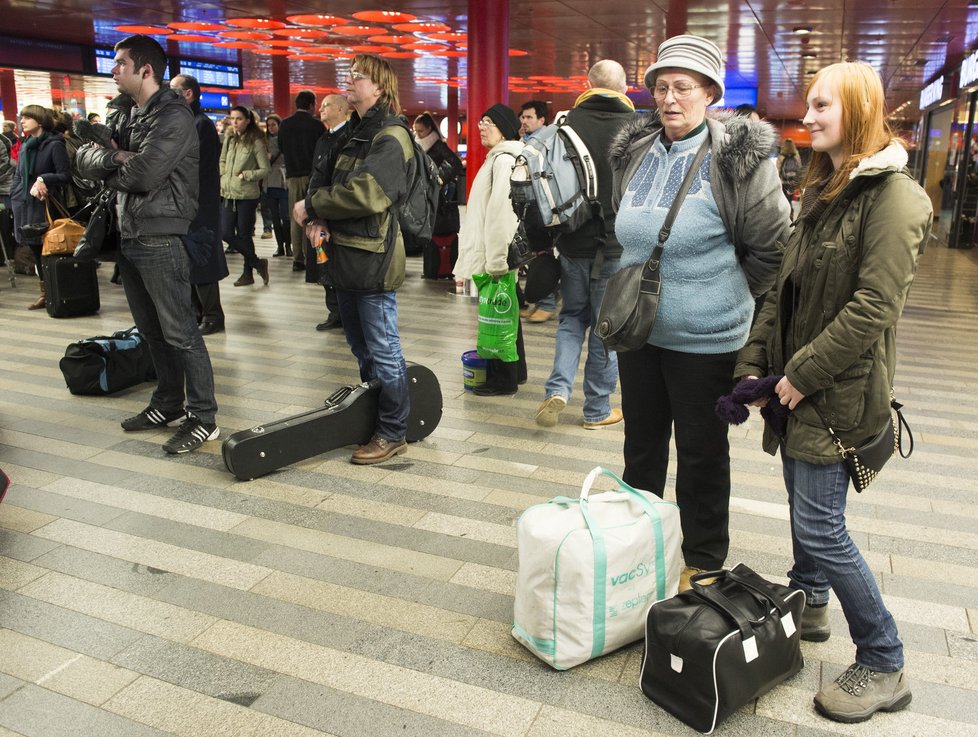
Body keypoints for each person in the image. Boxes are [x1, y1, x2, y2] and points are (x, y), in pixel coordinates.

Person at [734, 61, 931, 724]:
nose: (808, 116)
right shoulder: (824, 189)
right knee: (800, 501)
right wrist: (754, 364)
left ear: (858, 110)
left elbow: (875, 305)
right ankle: (810, 596)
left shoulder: (897, 199)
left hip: (836, 393)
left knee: (821, 522)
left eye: (822, 106)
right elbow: (782, 292)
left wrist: (799, 374)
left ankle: (883, 655)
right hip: (799, 387)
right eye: (808, 105)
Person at [609, 34, 790, 591]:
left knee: (701, 453)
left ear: (709, 92)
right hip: (639, 331)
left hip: (707, 339)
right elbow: (621, 227)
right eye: (661, 87)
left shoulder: (736, 162)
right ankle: (639, 546)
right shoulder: (634, 153)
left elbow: (773, 250)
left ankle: (705, 557)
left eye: (682, 87)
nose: (669, 98)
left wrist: (726, 295)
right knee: (640, 447)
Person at [76, 34, 219, 454]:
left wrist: (115, 162)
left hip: (161, 235)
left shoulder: (173, 117)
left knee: (181, 332)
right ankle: (168, 402)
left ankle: (204, 417)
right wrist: (114, 158)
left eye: (120, 63)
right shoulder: (125, 114)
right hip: (129, 233)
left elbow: (143, 176)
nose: (113, 69)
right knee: (152, 331)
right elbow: (82, 157)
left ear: (146, 69)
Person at [292, 54, 413, 465]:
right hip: (346, 254)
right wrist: (319, 216)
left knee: (384, 348)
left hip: (374, 256)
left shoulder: (391, 135)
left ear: (378, 87)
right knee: (361, 346)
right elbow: (334, 181)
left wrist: (311, 205)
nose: (350, 82)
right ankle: (377, 416)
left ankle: (394, 431)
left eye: (357, 77)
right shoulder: (358, 132)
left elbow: (367, 193)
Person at [535, 60, 636, 430]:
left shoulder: (564, 125)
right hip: (615, 246)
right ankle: (596, 409)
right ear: (625, 88)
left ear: (587, 84)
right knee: (604, 326)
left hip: (572, 242)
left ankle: (557, 388)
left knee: (571, 318)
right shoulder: (638, 129)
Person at [452, 104, 528, 396]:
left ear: (504, 129)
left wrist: (496, 261)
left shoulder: (503, 161)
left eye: (488, 123)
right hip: (498, 251)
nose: (481, 127)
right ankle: (516, 373)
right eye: (480, 122)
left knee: (499, 315)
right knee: (510, 312)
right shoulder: (499, 158)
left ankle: (503, 380)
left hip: (497, 253)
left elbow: (501, 214)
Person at [170, 73, 229, 335]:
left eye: (173, 90)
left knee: (201, 259)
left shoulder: (200, 124)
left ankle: (213, 315)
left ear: (188, 94)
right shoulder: (185, 122)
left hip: (199, 204)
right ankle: (197, 313)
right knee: (188, 260)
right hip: (185, 203)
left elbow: (193, 167)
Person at [10, 104, 69, 310]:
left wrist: (44, 178)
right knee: (35, 250)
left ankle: (56, 292)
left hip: (46, 205)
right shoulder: (26, 144)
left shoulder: (55, 144)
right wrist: (17, 194)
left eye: (27, 118)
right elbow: (19, 175)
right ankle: (45, 293)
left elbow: (65, 175)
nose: (22, 121)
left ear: (40, 121)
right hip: (26, 204)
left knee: (50, 250)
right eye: (22, 118)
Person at [309, 93, 353, 332]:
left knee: (338, 262)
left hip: (336, 207)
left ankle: (344, 312)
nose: (321, 109)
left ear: (340, 109)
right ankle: (334, 310)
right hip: (319, 207)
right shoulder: (324, 137)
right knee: (322, 259)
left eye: (326, 105)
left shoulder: (347, 137)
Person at [220, 105, 270, 287]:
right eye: (232, 119)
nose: (235, 122)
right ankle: (257, 262)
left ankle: (247, 273)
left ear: (248, 121)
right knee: (225, 232)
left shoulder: (256, 141)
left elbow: (265, 169)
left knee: (244, 235)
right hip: (227, 192)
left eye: (239, 119)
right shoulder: (229, 139)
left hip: (247, 195)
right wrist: (222, 174)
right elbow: (222, 159)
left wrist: (246, 175)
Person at [518, 100, 558, 323]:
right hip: (529, 207)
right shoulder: (526, 140)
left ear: (542, 120)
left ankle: (547, 304)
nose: (524, 121)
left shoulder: (547, 141)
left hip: (542, 207)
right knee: (535, 255)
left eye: (529, 117)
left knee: (543, 255)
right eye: (522, 117)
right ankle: (538, 302)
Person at [412, 111, 463, 279]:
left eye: (420, 131)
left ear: (429, 129)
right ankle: (432, 269)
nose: (417, 134)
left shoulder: (437, 145)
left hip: (440, 201)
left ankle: (440, 269)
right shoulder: (418, 145)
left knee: (437, 232)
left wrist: (438, 179)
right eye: (416, 130)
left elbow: (455, 163)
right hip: (425, 197)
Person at [279, 90, 325, 272]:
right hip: (312, 176)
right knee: (312, 216)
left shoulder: (285, 125)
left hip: (292, 177)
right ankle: (312, 256)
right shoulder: (316, 126)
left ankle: (298, 258)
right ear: (312, 105)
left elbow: (282, 147)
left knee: (295, 218)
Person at [263, 114, 290, 258]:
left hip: (283, 180)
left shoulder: (286, 140)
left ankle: (288, 245)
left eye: (274, 124)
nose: (271, 128)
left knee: (286, 217)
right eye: (269, 125)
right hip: (271, 181)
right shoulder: (264, 142)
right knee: (275, 217)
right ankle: (280, 246)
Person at [777, 138, 803, 202]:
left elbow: (778, 168)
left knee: (784, 196)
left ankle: (788, 208)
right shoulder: (796, 154)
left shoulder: (781, 156)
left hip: (784, 180)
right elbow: (799, 166)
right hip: (793, 180)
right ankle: (790, 207)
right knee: (791, 195)